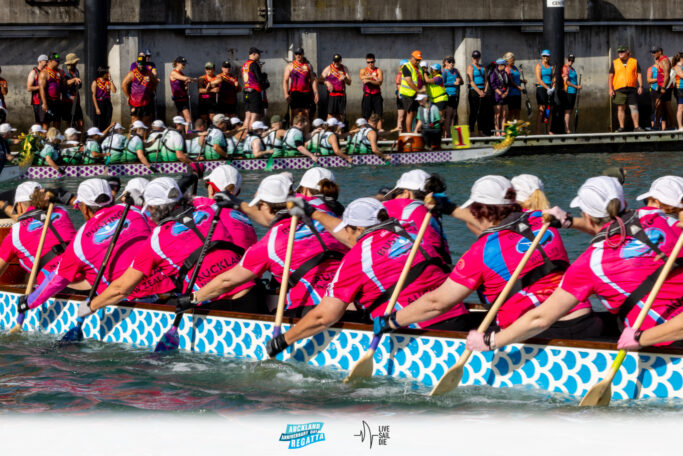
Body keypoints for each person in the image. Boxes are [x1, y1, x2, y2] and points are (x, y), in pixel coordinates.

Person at [466, 176, 683, 353]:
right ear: (624, 201)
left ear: (587, 215)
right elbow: (618, 227)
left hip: (662, 340)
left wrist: (492, 341)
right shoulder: (662, 217)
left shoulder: (590, 264)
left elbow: (541, 319)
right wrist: (568, 222)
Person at [375, 175, 602, 340]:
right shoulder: (544, 222)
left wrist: (392, 320)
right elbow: (596, 228)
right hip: (587, 323)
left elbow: (437, 303)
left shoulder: (482, 253)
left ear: (480, 209)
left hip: (535, 332)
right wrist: (449, 208)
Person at [265, 197, 470, 358]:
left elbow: (324, 317)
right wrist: (314, 213)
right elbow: (352, 236)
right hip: (459, 320)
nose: (345, 232)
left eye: (348, 227)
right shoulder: (412, 232)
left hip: (418, 332)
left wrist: (283, 341)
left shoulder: (358, 258)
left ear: (360, 229)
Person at [85, 177, 256, 315]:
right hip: (252, 295)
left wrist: (91, 306)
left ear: (151, 207)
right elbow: (193, 196)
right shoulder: (208, 208)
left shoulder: (155, 242)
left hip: (214, 306)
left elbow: (121, 289)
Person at [190, 173, 347, 318]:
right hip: (350, 300)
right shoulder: (319, 209)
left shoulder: (270, 244)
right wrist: (238, 204)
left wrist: (194, 298)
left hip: (311, 310)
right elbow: (272, 215)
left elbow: (227, 281)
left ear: (265, 206)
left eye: (259, 205)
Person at [21, 178, 161, 315]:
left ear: (84, 208)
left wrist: (28, 302)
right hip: (156, 290)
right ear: (111, 199)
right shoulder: (135, 211)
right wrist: (68, 197)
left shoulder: (79, 243)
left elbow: (55, 281)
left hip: (119, 302)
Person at [0, 182, 76, 287]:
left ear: (20, 207)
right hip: (87, 277)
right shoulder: (62, 212)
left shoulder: (15, 235)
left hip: (56, 288)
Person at [198, 165, 257, 251]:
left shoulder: (204, 207)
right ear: (238, 191)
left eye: (207, 185)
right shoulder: (244, 215)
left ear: (212, 189)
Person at [609, 45, 644, 132]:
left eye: (622, 51)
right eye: (619, 52)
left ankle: (636, 127)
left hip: (631, 88)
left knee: (634, 107)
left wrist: (640, 86)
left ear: (627, 52)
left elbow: (639, 74)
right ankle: (621, 127)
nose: (620, 53)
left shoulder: (634, 61)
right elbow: (610, 76)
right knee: (620, 108)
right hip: (619, 88)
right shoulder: (615, 62)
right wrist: (610, 89)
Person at [122, 56, 158, 127]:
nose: (141, 65)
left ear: (145, 64)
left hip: (146, 102)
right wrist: (128, 96)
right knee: (135, 123)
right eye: (139, 63)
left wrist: (150, 91)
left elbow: (155, 82)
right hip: (134, 102)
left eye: (143, 64)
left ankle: (144, 137)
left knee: (146, 123)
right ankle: (134, 136)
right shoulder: (132, 73)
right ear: (137, 63)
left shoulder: (149, 73)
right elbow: (123, 85)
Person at [283, 47, 318, 120]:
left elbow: (313, 80)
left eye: (300, 54)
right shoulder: (290, 66)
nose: (298, 56)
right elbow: (285, 81)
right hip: (295, 93)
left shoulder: (308, 65)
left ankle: (305, 130)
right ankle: (294, 130)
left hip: (306, 93)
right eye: (296, 54)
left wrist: (316, 92)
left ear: (303, 54)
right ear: (294, 55)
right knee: (294, 114)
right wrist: (286, 93)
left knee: (306, 114)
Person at [242, 47, 267, 131]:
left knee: (247, 116)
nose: (259, 55)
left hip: (246, 92)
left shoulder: (245, 64)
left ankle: (245, 134)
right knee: (254, 116)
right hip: (254, 92)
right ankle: (251, 136)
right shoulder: (254, 64)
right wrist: (264, 77)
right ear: (253, 54)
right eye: (258, 54)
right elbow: (259, 79)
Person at [321, 53, 351, 122]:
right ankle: (328, 131)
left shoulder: (344, 68)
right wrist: (327, 82)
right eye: (335, 61)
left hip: (341, 95)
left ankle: (339, 131)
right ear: (333, 61)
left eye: (338, 61)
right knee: (330, 116)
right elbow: (320, 80)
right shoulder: (328, 68)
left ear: (341, 61)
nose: (336, 63)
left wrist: (345, 78)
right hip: (332, 95)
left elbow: (349, 83)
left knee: (340, 116)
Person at [400, 51, 424, 133]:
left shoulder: (419, 67)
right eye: (416, 60)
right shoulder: (406, 67)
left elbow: (422, 79)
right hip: (408, 94)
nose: (418, 62)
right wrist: (419, 90)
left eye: (419, 60)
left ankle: (417, 131)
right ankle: (409, 133)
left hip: (417, 94)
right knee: (410, 114)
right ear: (411, 57)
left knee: (417, 114)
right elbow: (409, 81)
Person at [170, 56, 196, 130]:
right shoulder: (174, 73)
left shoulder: (181, 73)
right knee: (189, 119)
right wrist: (193, 79)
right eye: (182, 64)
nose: (184, 66)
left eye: (185, 64)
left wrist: (186, 86)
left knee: (182, 120)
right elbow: (185, 78)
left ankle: (182, 135)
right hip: (179, 100)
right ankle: (189, 135)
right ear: (177, 63)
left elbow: (184, 87)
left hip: (184, 99)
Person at [38, 52, 63, 129]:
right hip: (48, 101)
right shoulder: (44, 73)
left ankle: (56, 140)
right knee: (46, 124)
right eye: (57, 61)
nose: (59, 63)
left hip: (57, 101)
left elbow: (64, 83)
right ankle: (44, 140)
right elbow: (41, 88)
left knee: (57, 123)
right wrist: (44, 103)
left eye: (59, 61)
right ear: (51, 61)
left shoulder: (59, 72)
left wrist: (74, 80)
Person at [467, 50, 488, 136]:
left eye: (477, 57)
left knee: (482, 113)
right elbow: (471, 81)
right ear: (472, 58)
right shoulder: (470, 67)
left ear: (479, 58)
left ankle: (480, 131)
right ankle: (471, 131)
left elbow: (486, 80)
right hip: (474, 91)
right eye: (474, 57)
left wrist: (485, 91)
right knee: (474, 112)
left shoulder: (483, 67)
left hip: (483, 91)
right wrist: (479, 92)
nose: (476, 59)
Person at [651, 46, 673, 130]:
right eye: (652, 52)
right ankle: (657, 125)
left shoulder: (664, 61)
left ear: (660, 52)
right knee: (661, 106)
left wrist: (663, 87)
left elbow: (667, 76)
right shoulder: (661, 60)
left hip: (665, 87)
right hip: (663, 86)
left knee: (661, 105)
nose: (653, 54)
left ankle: (670, 125)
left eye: (654, 52)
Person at [360, 53, 383, 130]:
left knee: (379, 115)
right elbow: (362, 78)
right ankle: (366, 132)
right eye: (368, 62)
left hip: (377, 95)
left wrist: (369, 81)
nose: (370, 64)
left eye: (372, 62)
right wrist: (372, 77)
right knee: (366, 115)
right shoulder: (363, 70)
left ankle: (380, 134)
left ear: (374, 61)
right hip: (367, 94)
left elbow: (379, 82)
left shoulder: (378, 70)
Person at [425, 63, 448, 136]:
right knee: (434, 119)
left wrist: (424, 72)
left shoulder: (439, 78)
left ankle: (444, 135)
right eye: (431, 69)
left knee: (440, 118)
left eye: (433, 70)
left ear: (437, 71)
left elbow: (428, 81)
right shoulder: (431, 75)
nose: (431, 71)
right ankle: (437, 134)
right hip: (433, 100)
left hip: (440, 99)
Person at [61, 53, 83, 130]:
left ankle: (79, 139)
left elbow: (79, 85)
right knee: (69, 122)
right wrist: (69, 96)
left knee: (80, 122)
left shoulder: (76, 71)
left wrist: (79, 82)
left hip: (76, 99)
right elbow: (63, 85)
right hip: (67, 100)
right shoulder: (63, 72)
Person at [535, 49, 555, 135]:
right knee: (541, 110)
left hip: (550, 90)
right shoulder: (538, 66)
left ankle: (548, 130)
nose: (545, 57)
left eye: (547, 56)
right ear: (542, 56)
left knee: (549, 110)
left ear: (549, 57)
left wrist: (553, 88)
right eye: (544, 56)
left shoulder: (551, 67)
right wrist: (547, 88)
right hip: (541, 89)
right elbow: (539, 79)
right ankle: (538, 132)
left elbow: (554, 78)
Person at [442, 56, 463, 136]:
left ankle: (453, 134)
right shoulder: (445, 72)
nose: (452, 63)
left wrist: (459, 81)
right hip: (448, 95)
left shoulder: (456, 71)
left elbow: (461, 81)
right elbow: (442, 84)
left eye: (453, 62)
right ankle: (447, 134)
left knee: (454, 115)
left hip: (455, 95)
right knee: (449, 115)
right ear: (446, 63)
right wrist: (453, 83)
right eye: (450, 62)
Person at [561, 54, 582, 134]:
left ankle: (567, 128)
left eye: (572, 60)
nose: (571, 62)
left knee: (570, 111)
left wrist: (576, 88)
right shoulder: (565, 68)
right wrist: (576, 87)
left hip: (573, 92)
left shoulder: (573, 69)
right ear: (567, 60)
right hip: (568, 92)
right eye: (569, 60)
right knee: (567, 111)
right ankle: (566, 129)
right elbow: (566, 82)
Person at [91, 66, 116, 131]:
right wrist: (97, 108)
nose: (108, 74)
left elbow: (114, 91)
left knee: (107, 121)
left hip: (107, 103)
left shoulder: (108, 82)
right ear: (103, 73)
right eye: (107, 73)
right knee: (99, 123)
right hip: (100, 102)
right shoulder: (95, 82)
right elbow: (93, 96)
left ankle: (106, 135)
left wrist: (111, 80)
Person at [490, 58, 510, 136]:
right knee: (497, 114)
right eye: (504, 65)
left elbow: (508, 84)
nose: (505, 67)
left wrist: (506, 92)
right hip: (497, 95)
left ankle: (503, 130)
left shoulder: (505, 73)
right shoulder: (493, 73)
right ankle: (497, 130)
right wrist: (500, 94)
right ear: (500, 65)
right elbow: (493, 85)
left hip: (505, 94)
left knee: (504, 113)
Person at [27, 54, 48, 125]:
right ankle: (38, 135)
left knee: (46, 121)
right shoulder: (33, 72)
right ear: (40, 62)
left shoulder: (46, 72)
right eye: (46, 61)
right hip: (37, 101)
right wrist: (41, 86)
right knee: (39, 122)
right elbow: (29, 88)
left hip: (46, 100)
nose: (47, 63)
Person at [504, 52, 524, 122]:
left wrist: (522, 81)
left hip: (517, 93)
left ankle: (516, 129)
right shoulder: (507, 69)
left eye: (513, 59)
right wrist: (519, 87)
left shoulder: (515, 67)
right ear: (507, 60)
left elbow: (517, 78)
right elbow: (511, 81)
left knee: (517, 111)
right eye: (512, 60)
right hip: (511, 93)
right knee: (511, 112)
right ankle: (507, 130)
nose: (513, 61)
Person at [647, 61, 660, 129]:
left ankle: (662, 126)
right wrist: (659, 79)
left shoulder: (664, 68)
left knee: (661, 108)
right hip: (654, 90)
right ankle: (653, 126)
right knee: (654, 107)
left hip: (662, 89)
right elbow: (649, 80)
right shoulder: (651, 68)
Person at [672, 53, 683, 130]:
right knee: (680, 107)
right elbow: (682, 75)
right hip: (680, 89)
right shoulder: (676, 67)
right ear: (681, 59)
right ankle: (680, 126)